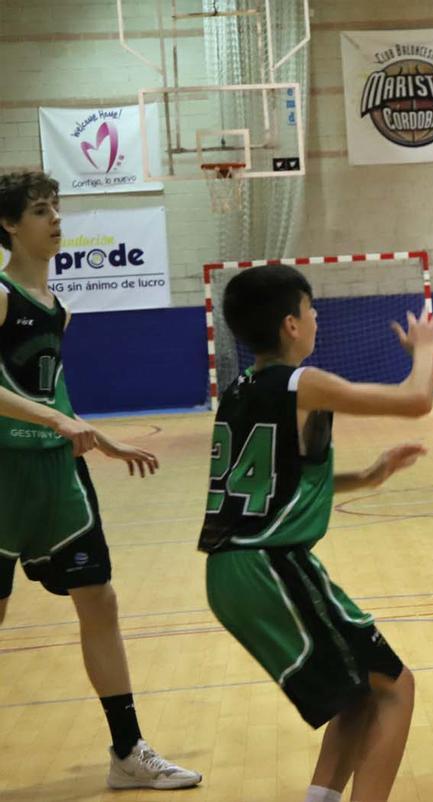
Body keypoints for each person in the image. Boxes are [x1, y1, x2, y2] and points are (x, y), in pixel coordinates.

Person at [198, 264, 433, 802]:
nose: (317, 321)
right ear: (291, 324)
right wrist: (425, 349)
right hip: (268, 565)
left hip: (235, 568)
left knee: (360, 694)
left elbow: (274, 486)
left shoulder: (240, 389)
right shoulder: (302, 383)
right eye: (311, 311)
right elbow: (416, 401)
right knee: (397, 688)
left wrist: (369, 475)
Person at [0, 169, 202, 790]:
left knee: (101, 601)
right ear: (9, 225)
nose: (54, 218)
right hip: (4, 477)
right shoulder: (2, 294)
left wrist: (96, 435)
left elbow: (44, 390)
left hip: (60, 476)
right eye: (40, 210)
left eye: (56, 207)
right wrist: (59, 419)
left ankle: (127, 750)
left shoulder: (56, 305)